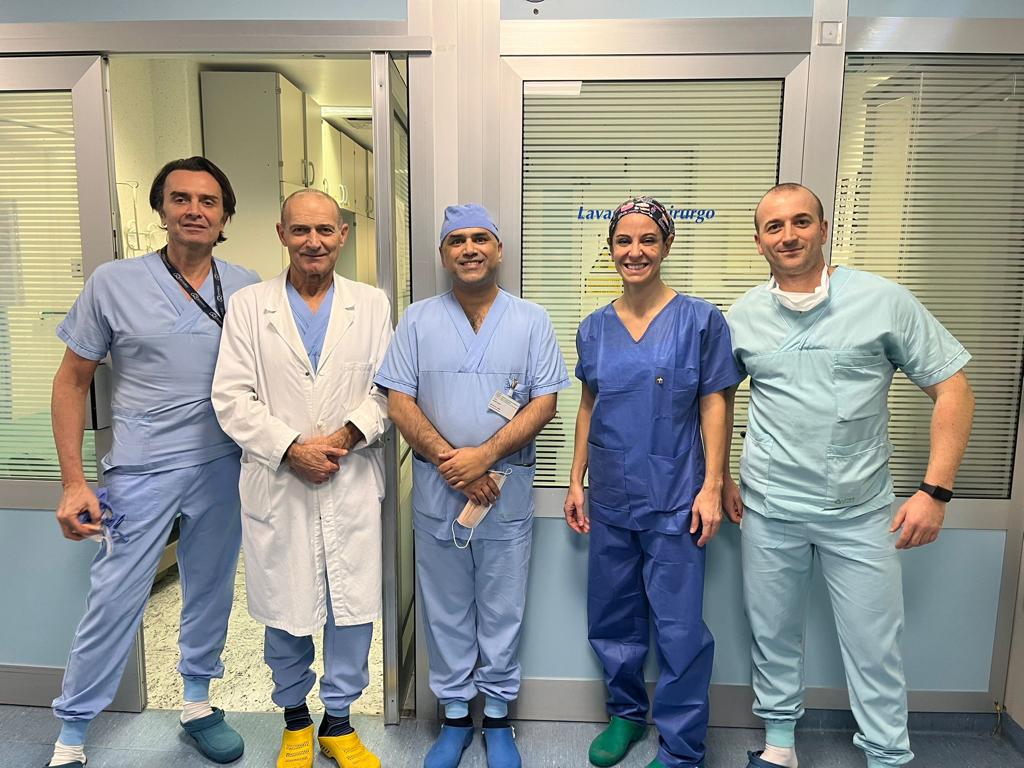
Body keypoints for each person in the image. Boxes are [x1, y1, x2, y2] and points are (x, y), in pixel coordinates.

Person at [724, 183, 975, 768]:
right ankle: (780, 745)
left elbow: (953, 388)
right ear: (758, 242)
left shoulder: (882, 301)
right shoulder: (742, 316)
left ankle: (886, 755)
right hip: (769, 508)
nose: (788, 235)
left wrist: (935, 491)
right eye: (774, 226)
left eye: (801, 222)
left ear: (824, 228)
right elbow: (718, 398)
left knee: (873, 644)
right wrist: (722, 478)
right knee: (772, 632)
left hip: (860, 513)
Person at [48, 157, 260, 767]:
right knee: (114, 597)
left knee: (211, 588)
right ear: (161, 210)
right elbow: (71, 382)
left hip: (223, 465)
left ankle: (197, 703)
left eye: (208, 201)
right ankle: (71, 733)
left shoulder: (246, 286)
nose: (194, 210)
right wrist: (73, 482)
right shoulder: (113, 283)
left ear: (225, 216)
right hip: (142, 470)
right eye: (181, 198)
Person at [374, 203, 568, 768]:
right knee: (445, 605)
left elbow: (545, 403)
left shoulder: (531, 320)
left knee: (504, 605)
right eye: (456, 240)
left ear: (498, 249)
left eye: (481, 238)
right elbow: (398, 402)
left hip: (505, 488)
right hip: (440, 489)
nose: (469, 249)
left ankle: (499, 717)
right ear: (443, 255)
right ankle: (456, 716)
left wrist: (482, 457)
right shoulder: (417, 321)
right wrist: (452, 463)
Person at [211, 189, 392, 768]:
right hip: (280, 482)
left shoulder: (372, 304)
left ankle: (338, 723)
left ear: (343, 234)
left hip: (349, 474)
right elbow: (231, 396)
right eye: (300, 230)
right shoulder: (249, 306)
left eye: (324, 230)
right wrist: (290, 449)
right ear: (282, 234)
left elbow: (387, 391)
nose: (313, 241)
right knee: (286, 610)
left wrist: (341, 440)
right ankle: (295, 719)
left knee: (351, 609)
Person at [562, 196, 741, 768]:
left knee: (679, 627)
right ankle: (625, 714)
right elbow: (589, 404)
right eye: (623, 241)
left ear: (666, 246)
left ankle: (683, 747)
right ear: (610, 247)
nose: (634, 251)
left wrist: (713, 483)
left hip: (676, 496)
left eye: (647, 240)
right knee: (612, 614)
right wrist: (575, 480)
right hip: (611, 493)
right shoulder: (594, 328)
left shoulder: (701, 321)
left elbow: (715, 403)